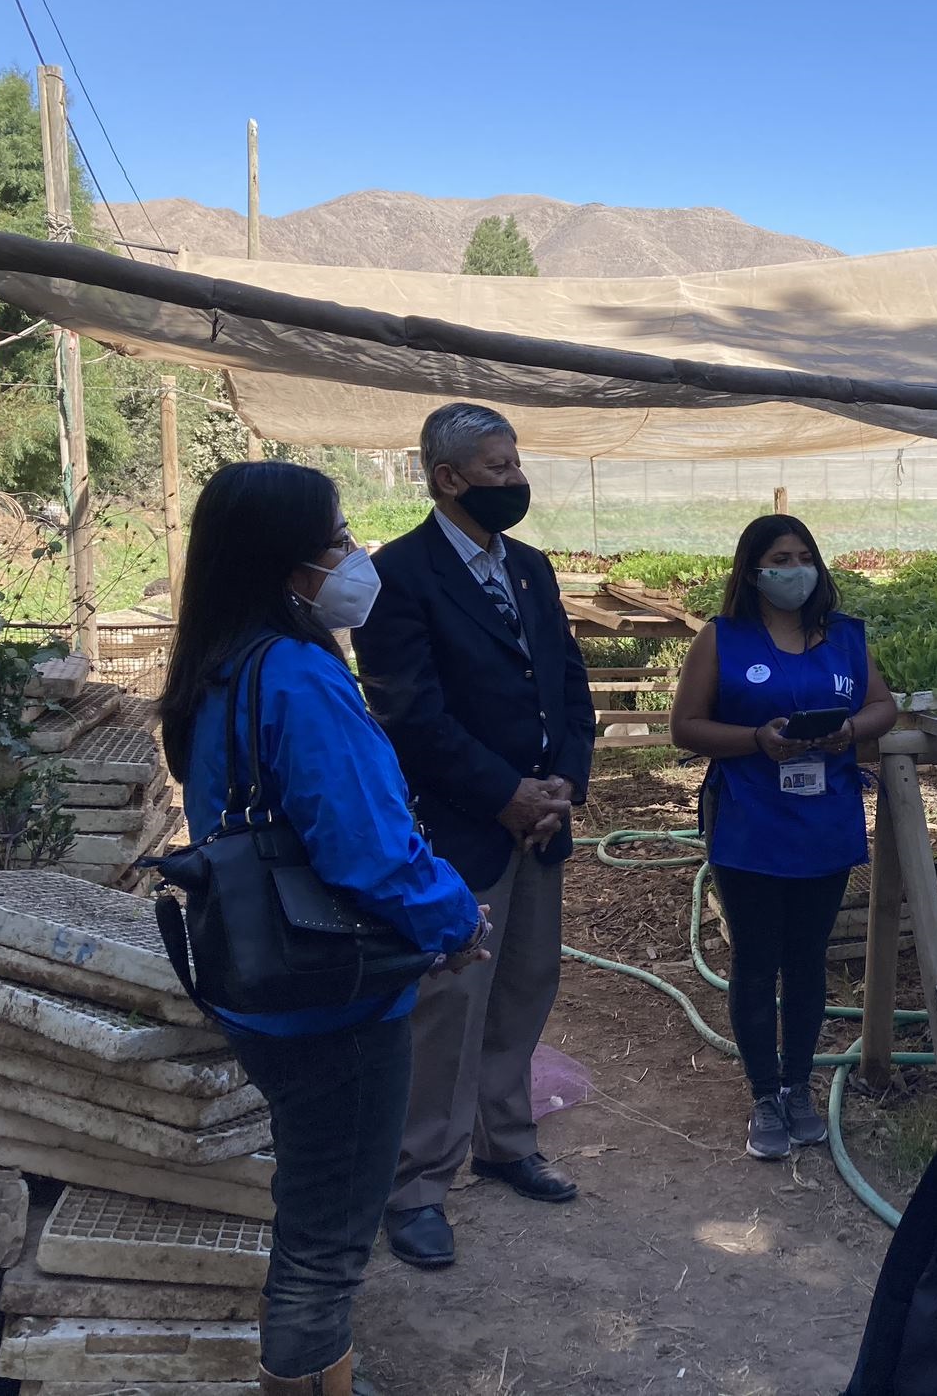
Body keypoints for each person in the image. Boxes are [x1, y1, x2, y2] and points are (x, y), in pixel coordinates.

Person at [158, 461, 489, 1396]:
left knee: (313, 1201)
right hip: (330, 1005)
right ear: (287, 564)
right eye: (337, 539)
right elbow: (368, 852)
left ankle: (316, 1367)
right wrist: (457, 915)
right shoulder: (300, 675)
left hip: (257, 978)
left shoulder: (221, 665)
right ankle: (306, 1375)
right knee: (326, 1236)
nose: (353, 556)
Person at [350, 403, 596, 1270]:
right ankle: (417, 1185)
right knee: (449, 1006)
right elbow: (411, 713)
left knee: (528, 979)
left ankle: (505, 1138)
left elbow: (566, 680)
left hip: (541, 822)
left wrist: (565, 779)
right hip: (461, 826)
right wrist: (506, 796)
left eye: (516, 461)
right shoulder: (399, 577)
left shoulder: (527, 568)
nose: (516, 478)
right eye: (498, 467)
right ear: (446, 478)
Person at [669, 514, 898, 1159]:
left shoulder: (844, 638)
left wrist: (851, 731)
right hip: (750, 821)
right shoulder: (722, 639)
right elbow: (686, 726)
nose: (792, 569)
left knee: (807, 959)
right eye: (778, 558)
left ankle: (798, 1084)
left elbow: (884, 706)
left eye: (803, 557)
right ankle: (763, 1093)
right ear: (751, 569)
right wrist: (755, 741)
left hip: (823, 821)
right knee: (755, 957)